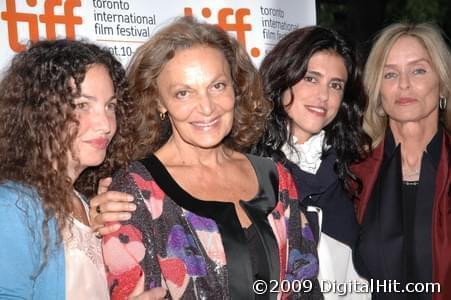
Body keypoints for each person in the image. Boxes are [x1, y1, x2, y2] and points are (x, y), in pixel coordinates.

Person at [100, 17, 322, 299]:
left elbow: (306, 285)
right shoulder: (134, 192)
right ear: (158, 102)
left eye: (217, 86)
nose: (206, 108)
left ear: (235, 87)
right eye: (183, 93)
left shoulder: (276, 178)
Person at [0, 39, 165, 299]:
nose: (105, 125)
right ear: (39, 111)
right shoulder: (13, 207)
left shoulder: (87, 204)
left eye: (110, 106)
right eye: (82, 105)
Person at [251, 26, 371, 299]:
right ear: (283, 78)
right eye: (311, 78)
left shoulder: (352, 167)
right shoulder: (245, 168)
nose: (323, 96)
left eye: (335, 85)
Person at [353, 23, 451, 300]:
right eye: (390, 74)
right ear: (378, 92)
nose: (404, 84)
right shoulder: (351, 176)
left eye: (418, 70)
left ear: (442, 84)